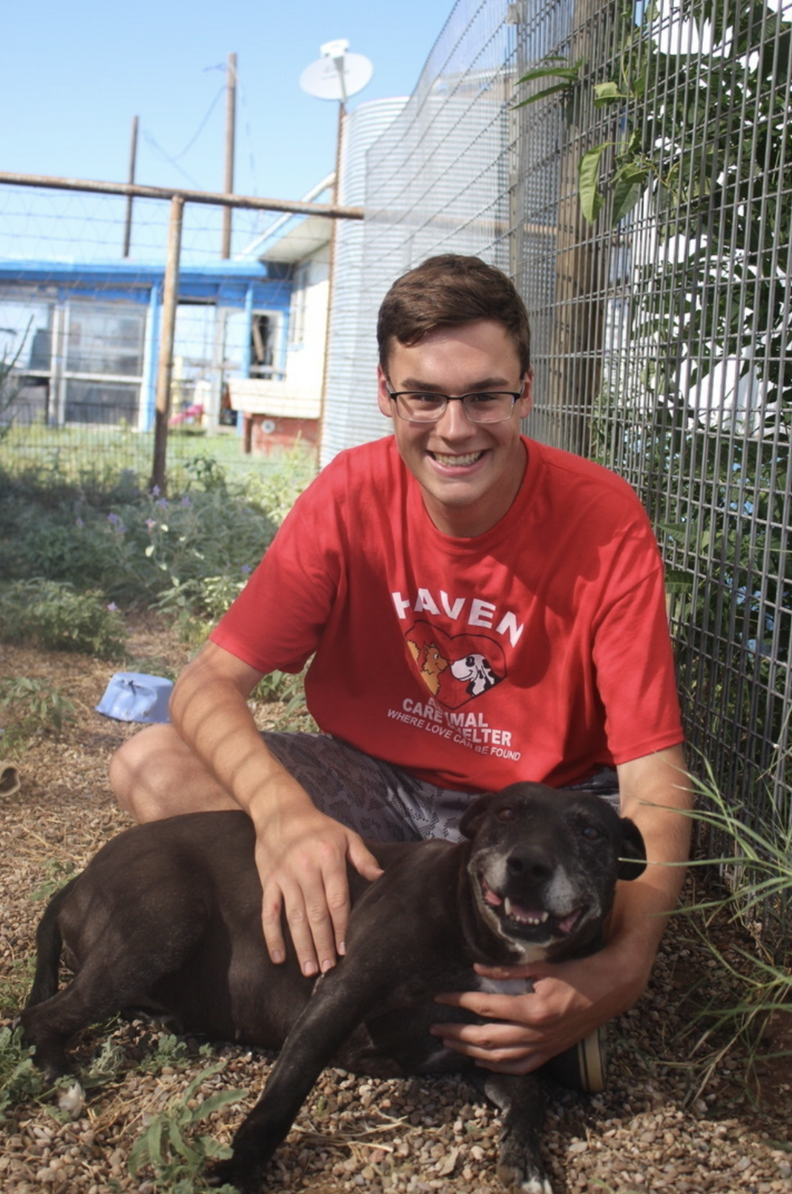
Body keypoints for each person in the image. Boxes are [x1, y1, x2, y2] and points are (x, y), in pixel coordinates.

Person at [110, 254, 691, 1079]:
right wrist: (282, 815)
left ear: (526, 393)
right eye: (424, 396)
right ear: (386, 395)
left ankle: (423, 991)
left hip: (537, 810)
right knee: (150, 764)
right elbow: (207, 683)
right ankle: (460, 1001)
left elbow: (654, 777)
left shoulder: (603, 518)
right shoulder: (350, 494)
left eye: (485, 396)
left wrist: (624, 970)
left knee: (619, 865)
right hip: (378, 788)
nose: (455, 429)